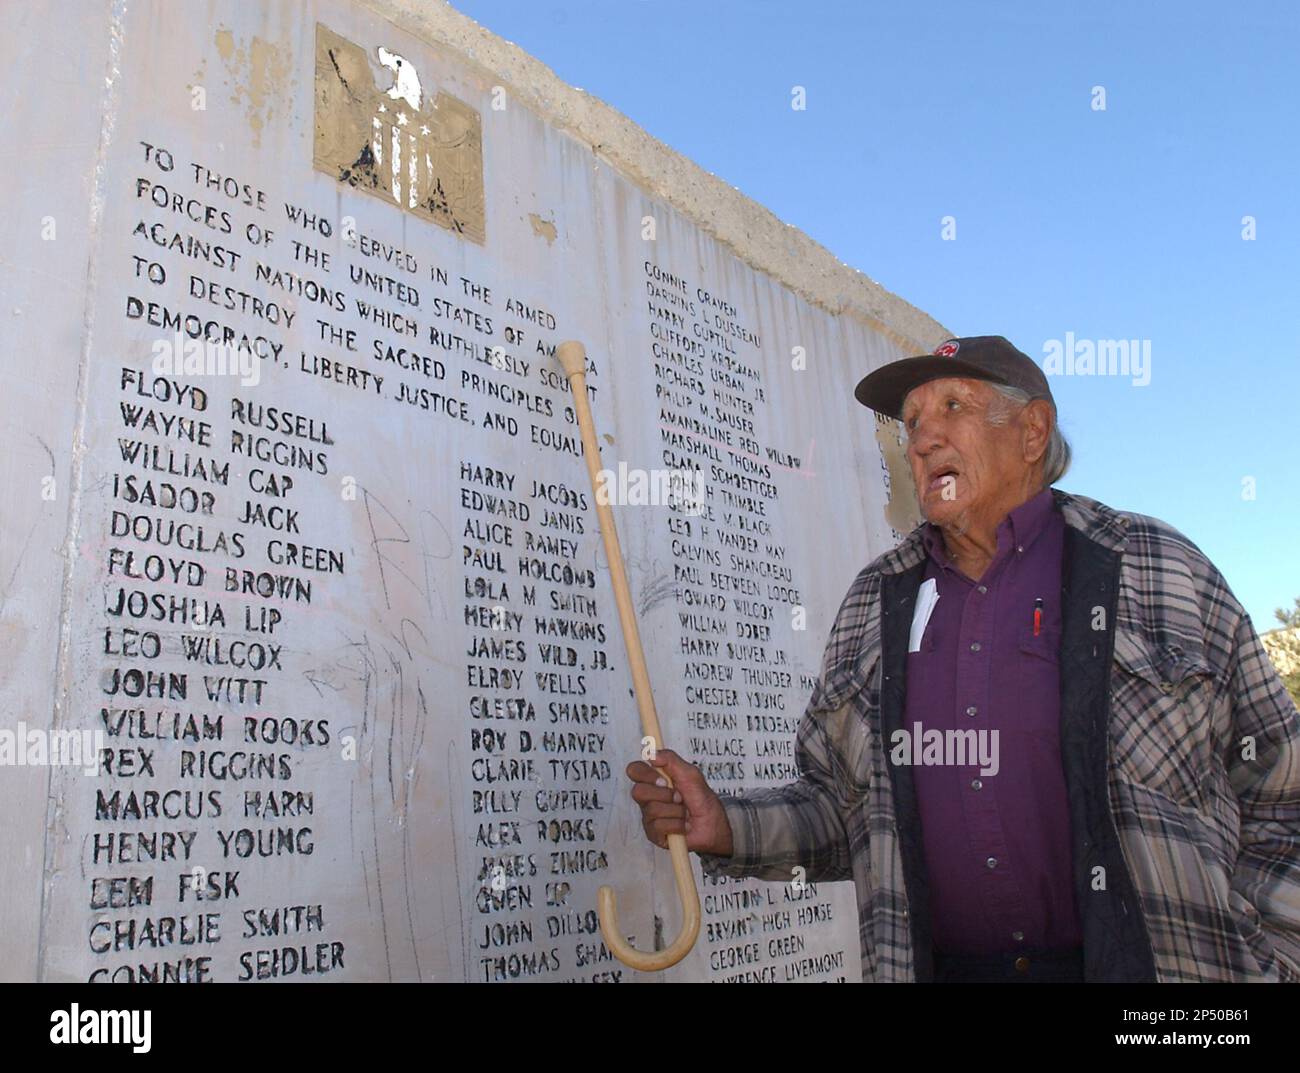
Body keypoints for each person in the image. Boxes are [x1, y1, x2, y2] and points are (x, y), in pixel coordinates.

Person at [625, 335, 1300, 983]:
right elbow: (844, 811)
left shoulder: (1156, 566)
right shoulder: (873, 600)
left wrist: (1275, 957)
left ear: (1032, 431)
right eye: (912, 421)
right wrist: (727, 826)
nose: (922, 439)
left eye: (953, 407)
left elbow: (1281, 784)